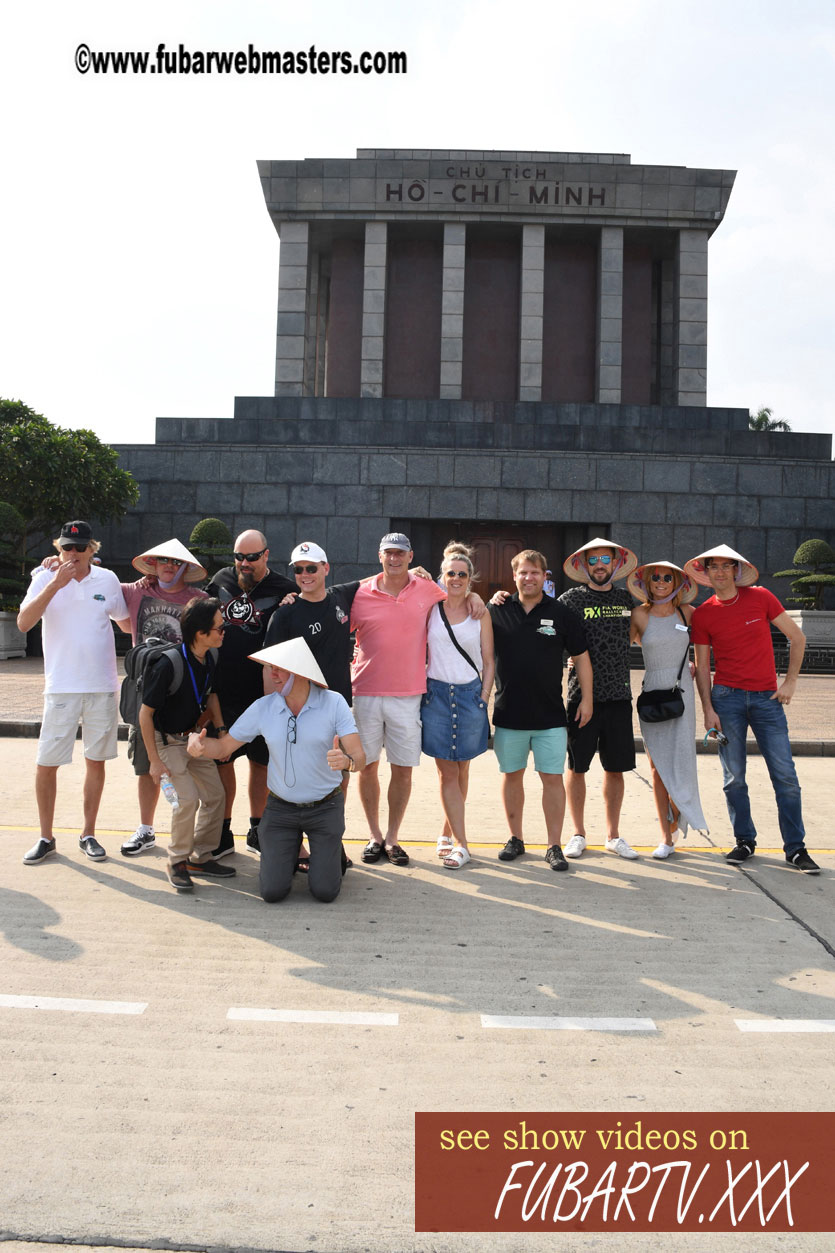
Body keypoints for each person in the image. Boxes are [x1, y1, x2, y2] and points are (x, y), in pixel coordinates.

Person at [187, 638, 365, 903]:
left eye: (279, 669)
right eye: (271, 668)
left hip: (325, 808)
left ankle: (329, 850)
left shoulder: (333, 703)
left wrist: (347, 762)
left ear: (300, 672)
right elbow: (224, 747)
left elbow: (360, 757)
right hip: (281, 810)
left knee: (325, 892)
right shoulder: (264, 707)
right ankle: (291, 850)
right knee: (272, 892)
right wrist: (201, 746)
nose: (273, 674)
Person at [686, 544, 820, 874]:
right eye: (712, 567)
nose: (718, 572)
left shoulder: (761, 597)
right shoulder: (704, 614)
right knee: (734, 778)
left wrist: (789, 682)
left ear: (736, 570)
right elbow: (703, 666)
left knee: (785, 775)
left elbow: (797, 637)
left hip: (766, 699)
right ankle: (744, 840)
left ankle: (796, 849)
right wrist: (708, 708)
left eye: (724, 566)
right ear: (705, 573)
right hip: (726, 700)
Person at [18, 520, 129, 865]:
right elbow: (23, 622)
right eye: (68, 547)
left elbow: (125, 620)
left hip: (101, 685)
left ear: (92, 550)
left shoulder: (107, 580)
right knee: (47, 763)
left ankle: (88, 833)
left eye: (81, 548)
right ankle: (46, 837)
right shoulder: (43, 577)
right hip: (61, 686)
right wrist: (54, 583)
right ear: (58, 549)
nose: (74, 554)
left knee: (95, 762)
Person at [351, 532, 462, 869]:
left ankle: (393, 837)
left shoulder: (428, 589)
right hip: (365, 693)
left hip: (408, 695)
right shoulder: (359, 593)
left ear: (411, 556)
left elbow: (457, 601)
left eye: (400, 553)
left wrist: (476, 599)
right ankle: (374, 836)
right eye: (389, 553)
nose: (394, 559)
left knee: (402, 770)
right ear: (379, 555)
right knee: (367, 767)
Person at [488, 549, 592, 871]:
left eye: (535, 572)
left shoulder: (561, 613)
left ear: (544, 577)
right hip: (510, 713)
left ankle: (553, 845)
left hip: (550, 716)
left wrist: (587, 699)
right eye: (523, 572)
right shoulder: (497, 610)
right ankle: (515, 838)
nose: (529, 577)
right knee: (512, 777)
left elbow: (583, 659)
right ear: (514, 575)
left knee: (552, 779)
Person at [207, 529, 295, 857]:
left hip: (263, 694)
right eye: (239, 557)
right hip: (223, 692)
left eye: (252, 557)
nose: (244, 563)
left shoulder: (285, 589)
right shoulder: (220, 581)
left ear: (266, 555)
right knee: (223, 759)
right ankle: (222, 829)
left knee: (260, 763)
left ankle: (257, 828)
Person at [119, 539, 209, 855]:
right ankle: (146, 828)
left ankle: (186, 833)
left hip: (182, 697)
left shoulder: (199, 599)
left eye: (176, 562)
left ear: (186, 567)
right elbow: (95, 584)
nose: (169, 567)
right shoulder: (135, 592)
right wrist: (56, 562)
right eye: (162, 561)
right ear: (153, 564)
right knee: (146, 767)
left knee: (188, 769)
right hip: (145, 693)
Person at [139, 597, 233, 892]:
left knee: (217, 795)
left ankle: (201, 857)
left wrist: (220, 730)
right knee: (187, 799)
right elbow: (145, 714)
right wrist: (154, 760)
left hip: (194, 738)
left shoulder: (211, 657)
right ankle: (176, 861)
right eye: (219, 627)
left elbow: (213, 694)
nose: (223, 632)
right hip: (166, 741)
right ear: (200, 633)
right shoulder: (169, 663)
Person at [558, 537, 640, 860]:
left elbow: (656, 622)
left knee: (615, 769)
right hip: (581, 698)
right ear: (582, 565)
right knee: (577, 767)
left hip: (619, 696)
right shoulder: (570, 600)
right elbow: (540, 615)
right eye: (593, 561)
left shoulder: (626, 599)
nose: (600, 566)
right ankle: (577, 833)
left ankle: (613, 835)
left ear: (616, 564)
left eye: (606, 559)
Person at [629, 561, 707, 858]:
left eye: (667, 578)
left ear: (677, 583)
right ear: (647, 583)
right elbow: (615, 650)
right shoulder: (639, 614)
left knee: (682, 764)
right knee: (657, 767)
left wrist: (708, 701)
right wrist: (575, 660)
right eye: (655, 578)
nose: (660, 582)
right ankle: (666, 837)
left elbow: (703, 657)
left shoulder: (688, 613)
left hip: (682, 693)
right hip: (652, 694)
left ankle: (679, 809)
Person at [423, 551, 495, 869]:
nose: (455, 579)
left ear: (470, 578)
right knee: (446, 771)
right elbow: (400, 574)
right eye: (450, 573)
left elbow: (489, 660)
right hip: (436, 695)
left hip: (469, 696)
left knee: (462, 768)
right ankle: (462, 845)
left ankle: (447, 830)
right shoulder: (429, 608)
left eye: (462, 575)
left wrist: (484, 696)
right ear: (442, 576)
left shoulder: (479, 612)